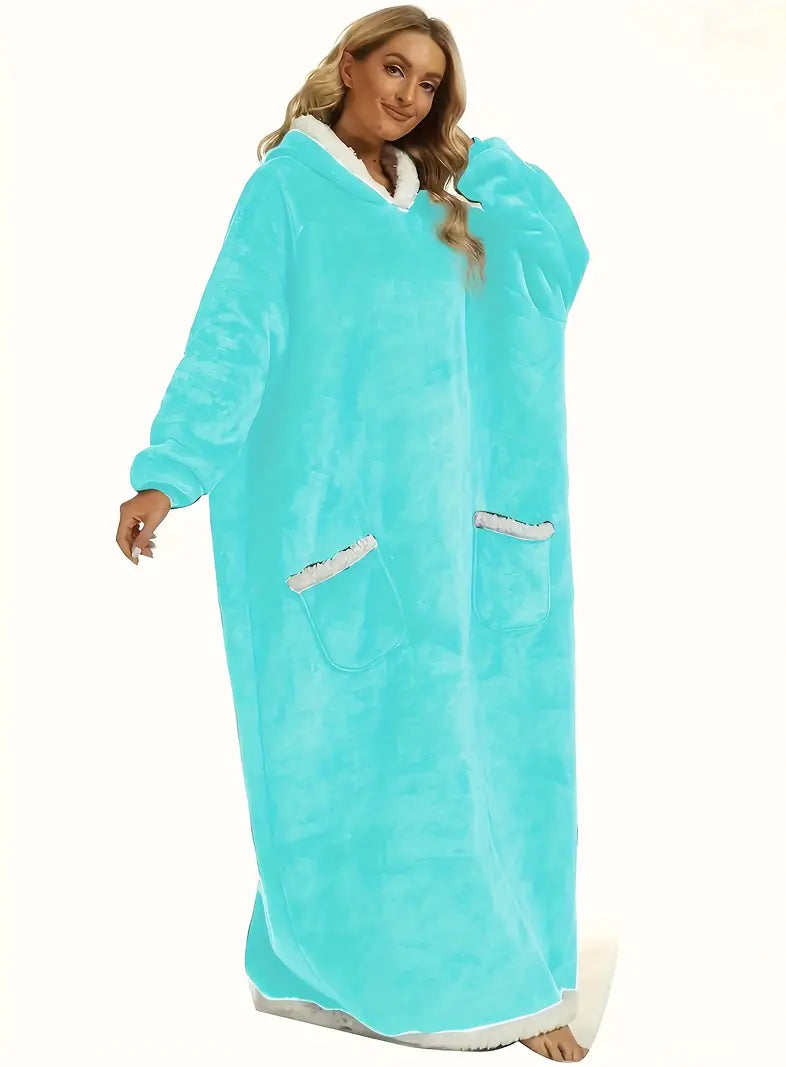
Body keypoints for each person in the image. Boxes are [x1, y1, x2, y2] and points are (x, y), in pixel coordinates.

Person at [117, 4, 590, 1060]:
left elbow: (555, 269)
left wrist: (489, 162)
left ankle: (456, 970)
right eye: (395, 69)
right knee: (350, 763)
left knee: (448, 754)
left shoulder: (440, 208)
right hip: (332, 534)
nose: (409, 96)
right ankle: (441, 982)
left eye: (429, 84)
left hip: (450, 542)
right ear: (348, 63)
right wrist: (168, 473)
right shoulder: (287, 191)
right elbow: (232, 336)